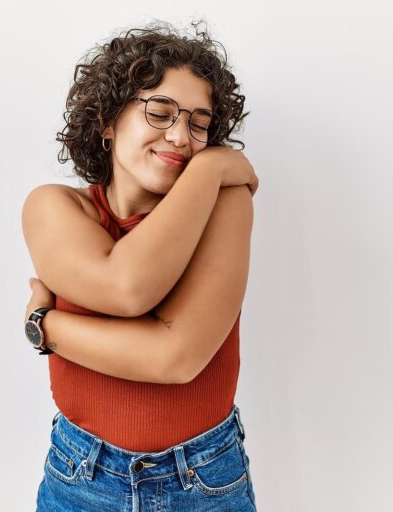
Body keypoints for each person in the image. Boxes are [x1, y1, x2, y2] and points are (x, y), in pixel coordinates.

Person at [21, 20, 260, 511]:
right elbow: (125, 285)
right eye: (160, 112)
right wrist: (214, 167)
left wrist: (45, 327)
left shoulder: (225, 204)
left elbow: (175, 358)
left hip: (203, 480)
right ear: (107, 120)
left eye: (199, 123)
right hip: (79, 476)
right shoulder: (53, 207)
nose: (180, 136)